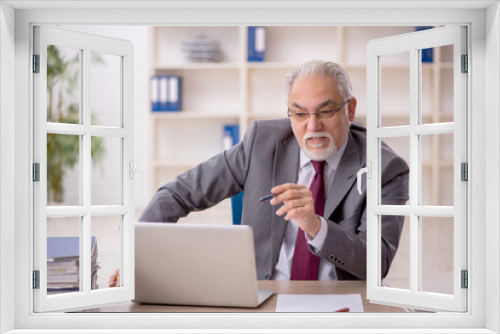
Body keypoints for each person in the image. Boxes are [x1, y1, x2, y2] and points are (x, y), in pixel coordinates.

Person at [109, 59, 409, 287]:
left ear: (350, 109)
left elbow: (376, 262)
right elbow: (179, 193)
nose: (313, 126)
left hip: (340, 303)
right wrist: (139, 257)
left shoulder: (385, 169)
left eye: (326, 111)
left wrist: (316, 225)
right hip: (262, 295)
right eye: (300, 113)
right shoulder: (262, 142)